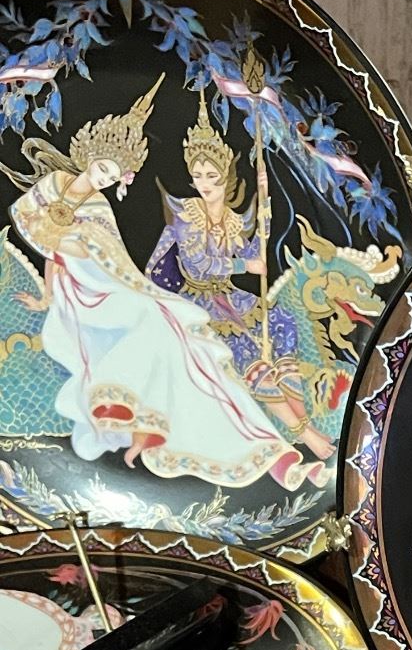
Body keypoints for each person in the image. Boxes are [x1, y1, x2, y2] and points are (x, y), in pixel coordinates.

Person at [5, 79, 324, 491]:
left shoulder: (101, 207)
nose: (103, 179)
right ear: (87, 156)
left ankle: (277, 452)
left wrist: (256, 239)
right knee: (168, 324)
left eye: (112, 175)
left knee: (197, 339)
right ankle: (123, 404)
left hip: (111, 288)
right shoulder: (54, 187)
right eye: (102, 169)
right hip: (82, 292)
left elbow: (114, 262)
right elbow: (42, 237)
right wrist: (49, 291)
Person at [147, 94, 333, 461]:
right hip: (195, 301)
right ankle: (306, 434)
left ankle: (302, 423)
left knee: (280, 322)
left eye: (211, 175)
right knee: (248, 351)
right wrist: (242, 268)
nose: (204, 183)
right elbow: (198, 265)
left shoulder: (234, 219)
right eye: (198, 175)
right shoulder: (187, 214)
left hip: (230, 296)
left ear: (225, 175)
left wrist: (264, 214)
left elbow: (250, 256)